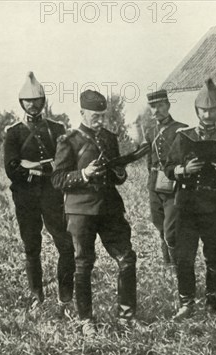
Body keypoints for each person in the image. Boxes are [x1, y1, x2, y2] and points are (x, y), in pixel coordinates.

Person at [51, 90, 137, 336]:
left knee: (127, 258)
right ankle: (86, 320)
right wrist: (84, 174)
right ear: (81, 113)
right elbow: (57, 179)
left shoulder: (109, 138)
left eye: (102, 115)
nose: (100, 120)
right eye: (95, 116)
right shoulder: (69, 140)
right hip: (81, 211)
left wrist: (119, 172)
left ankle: (127, 318)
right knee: (83, 264)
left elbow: (117, 175)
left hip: (109, 209)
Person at [164, 78, 216, 320]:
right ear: (197, 111)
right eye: (204, 110)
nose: (208, 114)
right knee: (184, 257)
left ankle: (211, 306)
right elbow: (168, 167)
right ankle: (186, 303)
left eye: (213, 110)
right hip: (186, 206)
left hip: (214, 206)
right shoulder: (183, 137)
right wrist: (183, 170)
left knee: (213, 257)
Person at [4, 72, 75, 310]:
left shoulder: (57, 129)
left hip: (53, 193)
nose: (32, 105)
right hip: (25, 196)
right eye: (28, 101)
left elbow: (65, 163)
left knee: (65, 244)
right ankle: (36, 295)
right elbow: (12, 169)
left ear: (43, 101)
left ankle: (65, 296)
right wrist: (43, 166)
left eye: (37, 100)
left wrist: (29, 165)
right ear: (21, 103)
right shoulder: (13, 132)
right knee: (31, 246)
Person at [142, 89, 188, 274]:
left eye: (160, 105)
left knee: (171, 230)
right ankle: (167, 265)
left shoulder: (181, 129)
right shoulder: (150, 131)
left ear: (168, 105)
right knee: (159, 224)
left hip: (173, 184)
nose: (156, 110)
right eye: (153, 106)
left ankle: (178, 267)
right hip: (154, 184)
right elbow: (149, 160)